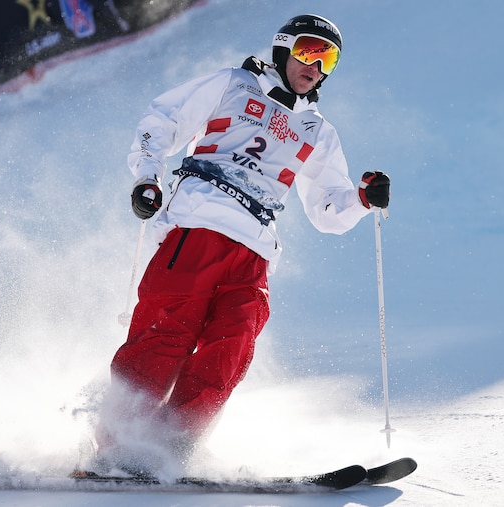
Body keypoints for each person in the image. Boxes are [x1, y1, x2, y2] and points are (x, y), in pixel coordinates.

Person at [98, 13, 390, 475]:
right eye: (307, 50)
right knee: (168, 333)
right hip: (198, 224)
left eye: (327, 58)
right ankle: (117, 446)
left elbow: (327, 212)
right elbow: (163, 119)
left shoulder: (318, 132)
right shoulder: (235, 84)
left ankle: (171, 448)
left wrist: (361, 198)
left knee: (231, 347)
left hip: (255, 250)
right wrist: (147, 177)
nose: (314, 65)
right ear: (283, 48)